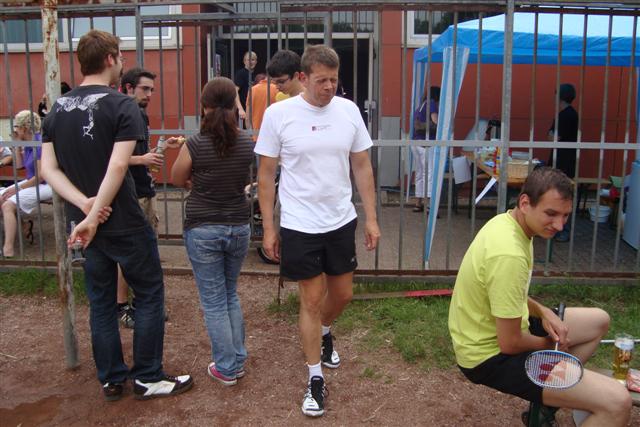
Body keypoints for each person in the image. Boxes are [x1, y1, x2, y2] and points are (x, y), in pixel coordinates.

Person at [41, 29, 192, 402]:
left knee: (102, 301)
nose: (122, 62)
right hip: (122, 219)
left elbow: (49, 169)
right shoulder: (122, 106)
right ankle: (148, 377)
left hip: (87, 224)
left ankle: (111, 378)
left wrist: (86, 207)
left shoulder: (57, 109)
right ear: (110, 58)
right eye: (121, 56)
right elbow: (119, 165)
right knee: (150, 293)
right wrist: (94, 213)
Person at [448, 166, 631, 426]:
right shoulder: (509, 253)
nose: (559, 225)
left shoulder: (508, 222)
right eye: (551, 214)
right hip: (487, 356)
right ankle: (558, 389)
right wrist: (553, 348)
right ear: (525, 203)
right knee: (618, 402)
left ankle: (548, 403)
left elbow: (506, 295)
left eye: (565, 215)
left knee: (598, 321)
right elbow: (510, 343)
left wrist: (543, 311)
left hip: (501, 329)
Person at [255, 44, 381, 417]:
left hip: (340, 219)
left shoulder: (348, 111)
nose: (329, 87)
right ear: (303, 77)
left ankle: (325, 331)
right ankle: (314, 378)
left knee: (342, 294)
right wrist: (268, 227)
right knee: (310, 300)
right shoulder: (279, 115)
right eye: (321, 80)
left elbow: (362, 166)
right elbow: (266, 175)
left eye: (333, 80)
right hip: (300, 223)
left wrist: (371, 217)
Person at [171, 76, 254, 387]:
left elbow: (176, 178)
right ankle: (237, 360)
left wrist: (197, 183)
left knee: (214, 302)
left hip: (203, 227)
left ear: (203, 106)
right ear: (234, 105)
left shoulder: (194, 144)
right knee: (230, 294)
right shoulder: (246, 143)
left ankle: (227, 367)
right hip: (238, 225)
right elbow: (243, 177)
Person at [116, 67, 181, 328]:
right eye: (145, 89)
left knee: (145, 251)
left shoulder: (139, 114)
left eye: (152, 89)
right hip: (130, 193)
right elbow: (113, 156)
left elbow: (143, 156)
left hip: (145, 190)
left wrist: (162, 148)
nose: (150, 94)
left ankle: (141, 302)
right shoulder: (122, 113)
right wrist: (141, 159)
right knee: (132, 252)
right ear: (128, 87)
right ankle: (122, 306)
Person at [1, 111, 53, 258]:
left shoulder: (39, 143)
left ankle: (8, 249)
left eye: (16, 126)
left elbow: (41, 176)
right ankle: (24, 226)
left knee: (8, 205)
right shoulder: (29, 144)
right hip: (33, 182)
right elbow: (19, 167)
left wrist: (17, 188)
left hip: (47, 184)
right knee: (2, 197)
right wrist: (17, 146)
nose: (14, 130)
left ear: (24, 128)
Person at [547, 83, 578, 242]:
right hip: (563, 160)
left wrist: (551, 134)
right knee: (560, 194)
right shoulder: (566, 114)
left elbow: (553, 137)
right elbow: (551, 135)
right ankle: (558, 228)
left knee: (562, 195)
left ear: (559, 97)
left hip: (563, 162)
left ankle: (563, 230)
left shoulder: (566, 116)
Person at [411, 86, 440, 213]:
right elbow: (435, 121)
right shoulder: (431, 104)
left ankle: (418, 203)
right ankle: (429, 205)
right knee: (429, 174)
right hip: (427, 143)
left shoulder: (421, 106)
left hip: (416, 142)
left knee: (419, 173)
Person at [234, 51, 258, 123]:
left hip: (254, 109)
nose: (251, 62)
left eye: (253, 60)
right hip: (244, 111)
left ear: (256, 62)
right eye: (248, 60)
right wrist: (240, 109)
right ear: (244, 61)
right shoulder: (241, 74)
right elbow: (235, 91)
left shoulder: (256, 75)